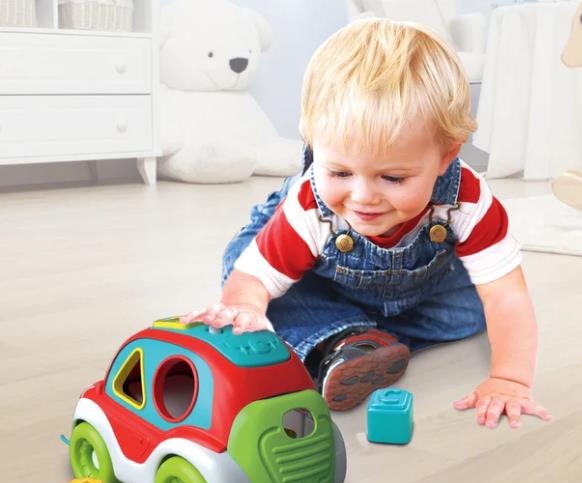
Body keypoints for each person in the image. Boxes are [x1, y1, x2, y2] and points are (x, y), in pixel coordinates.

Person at [182, 19, 552, 429]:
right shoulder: (310, 205)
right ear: (313, 143)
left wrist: (510, 379)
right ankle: (343, 339)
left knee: (474, 310)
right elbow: (252, 281)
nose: (362, 197)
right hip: (327, 282)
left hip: (424, 291)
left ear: (445, 156)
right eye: (340, 172)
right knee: (255, 283)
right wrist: (246, 309)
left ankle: (353, 341)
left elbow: (506, 295)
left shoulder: (467, 198)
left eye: (392, 178)